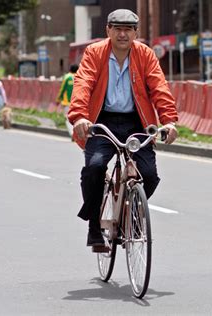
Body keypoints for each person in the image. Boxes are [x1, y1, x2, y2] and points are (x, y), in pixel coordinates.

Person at [68, 9, 178, 250]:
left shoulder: (145, 55)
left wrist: (168, 120)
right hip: (102, 120)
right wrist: (79, 117)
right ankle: (94, 227)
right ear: (108, 30)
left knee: (149, 175)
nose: (122, 34)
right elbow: (83, 84)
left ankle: (133, 215)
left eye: (128, 29)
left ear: (136, 33)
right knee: (95, 167)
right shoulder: (95, 53)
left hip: (136, 122)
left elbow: (159, 87)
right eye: (117, 28)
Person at [56, 64, 79, 137]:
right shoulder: (80, 76)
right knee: (77, 118)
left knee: (68, 118)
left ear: (70, 70)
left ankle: (72, 134)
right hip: (77, 102)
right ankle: (76, 134)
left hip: (67, 102)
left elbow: (62, 89)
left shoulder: (67, 77)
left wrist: (58, 99)